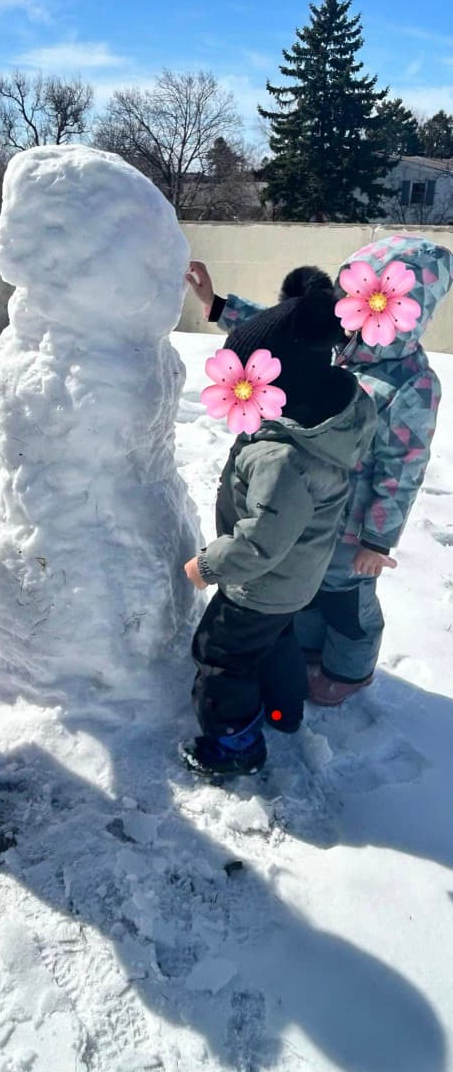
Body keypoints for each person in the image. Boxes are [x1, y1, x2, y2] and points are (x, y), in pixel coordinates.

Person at [186, 233, 452, 707]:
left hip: (353, 529)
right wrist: (215, 304)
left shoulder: (412, 383)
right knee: (305, 589)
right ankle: (308, 651)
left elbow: (402, 470)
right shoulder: (340, 339)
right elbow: (280, 330)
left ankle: (349, 671)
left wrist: (377, 540)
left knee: (347, 604)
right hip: (307, 511)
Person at [182, 269, 376, 777]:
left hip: (260, 580)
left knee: (220, 653)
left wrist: (207, 565)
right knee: (277, 640)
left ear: (279, 382)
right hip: (296, 577)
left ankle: (234, 745)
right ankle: (282, 712)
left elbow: (263, 540)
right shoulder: (327, 419)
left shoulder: (281, 457)